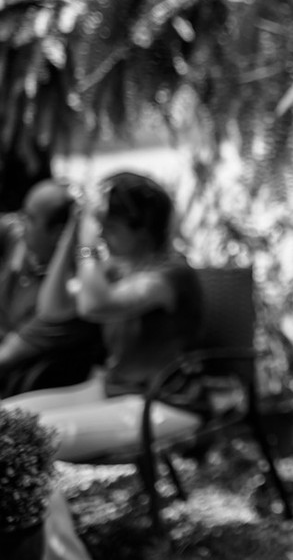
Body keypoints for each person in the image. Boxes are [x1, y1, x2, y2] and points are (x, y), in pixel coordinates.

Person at [2, 172, 205, 461]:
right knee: (6, 421)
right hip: (112, 392)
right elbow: (53, 308)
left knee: (30, 439)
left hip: (167, 403)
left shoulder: (169, 276)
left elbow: (94, 305)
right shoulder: (116, 269)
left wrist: (87, 246)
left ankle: (51, 508)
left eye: (109, 225)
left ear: (141, 230)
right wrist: (72, 233)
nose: (102, 232)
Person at [0, 180, 104, 398]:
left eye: (29, 219)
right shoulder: (20, 241)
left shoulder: (70, 293)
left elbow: (6, 356)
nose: (20, 223)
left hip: (22, 393)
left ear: (58, 233)